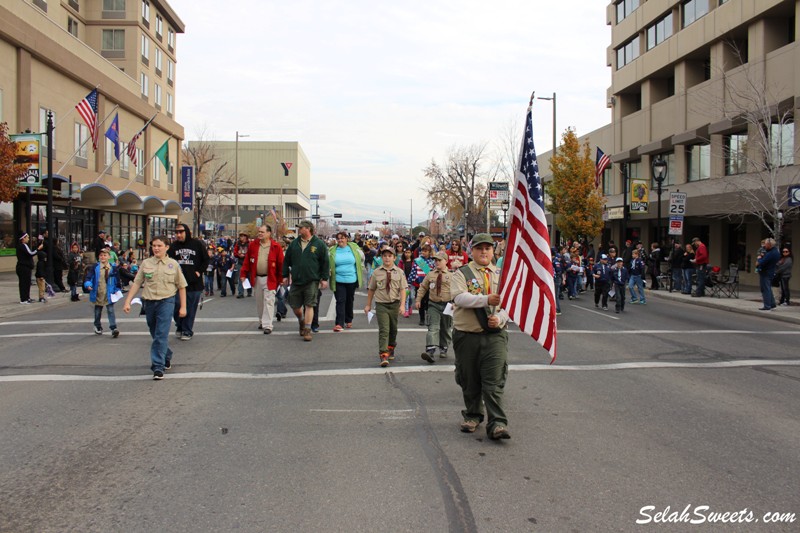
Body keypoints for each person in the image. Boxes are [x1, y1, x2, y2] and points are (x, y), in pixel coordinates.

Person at [450, 233, 511, 440]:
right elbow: (459, 297)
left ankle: (498, 423)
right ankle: (473, 415)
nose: (484, 252)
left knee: (493, 382)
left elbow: (509, 306)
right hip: (467, 336)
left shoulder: (501, 275)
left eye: (487, 248)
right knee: (469, 379)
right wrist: (486, 299)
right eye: (479, 248)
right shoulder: (461, 273)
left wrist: (500, 319)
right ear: (472, 251)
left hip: (494, 337)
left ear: (493, 251)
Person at [123, 235, 187, 380]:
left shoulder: (173, 264)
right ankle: (167, 354)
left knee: (161, 334)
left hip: (167, 301)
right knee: (154, 332)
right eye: (154, 246)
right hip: (150, 302)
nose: (156, 248)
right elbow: (137, 283)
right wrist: (128, 301)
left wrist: (183, 307)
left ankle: (158, 366)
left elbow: (182, 286)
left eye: (159, 246)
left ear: (166, 247)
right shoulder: (146, 263)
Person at [282, 220, 329, 342]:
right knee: (295, 306)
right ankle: (301, 320)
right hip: (297, 280)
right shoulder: (294, 244)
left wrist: (324, 278)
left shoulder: (319, 244)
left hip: (312, 280)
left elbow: (325, 262)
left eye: (301, 228)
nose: (299, 229)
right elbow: (286, 261)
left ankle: (307, 329)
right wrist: (285, 275)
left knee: (309, 304)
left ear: (308, 229)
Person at [364, 246, 407, 367]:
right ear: (381, 258)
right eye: (384, 256)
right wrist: (368, 305)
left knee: (393, 330)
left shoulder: (399, 272)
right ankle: (383, 354)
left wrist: (402, 305)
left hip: (394, 304)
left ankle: (391, 346)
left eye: (389, 256)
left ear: (394, 257)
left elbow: (403, 290)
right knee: (384, 330)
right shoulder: (377, 272)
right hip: (381, 304)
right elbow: (371, 289)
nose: (387, 258)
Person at [167, 223, 208, 341]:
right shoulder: (173, 246)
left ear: (187, 232)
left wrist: (199, 272)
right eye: (177, 232)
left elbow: (206, 260)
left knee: (190, 308)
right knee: (176, 306)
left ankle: (187, 329)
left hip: (194, 283)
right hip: (177, 283)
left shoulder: (197, 244)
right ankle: (179, 325)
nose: (178, 235)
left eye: (181, 232)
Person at [240, 225, 284, 334]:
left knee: (269, 301)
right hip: (257, 278)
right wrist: (243, 274)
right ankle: (262, 321)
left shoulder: (275, 246)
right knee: (260, 302)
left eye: (262, 232)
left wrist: (282, 278)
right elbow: (246, 261)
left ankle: (268, 325)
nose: (260, 234)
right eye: (259, 232)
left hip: (271, 278)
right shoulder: (253, 245)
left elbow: (281, 264)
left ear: (269, 233)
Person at [416, 251, 453, 363]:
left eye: (439, 260)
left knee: (445, 328)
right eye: (435, 260)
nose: (437, 262)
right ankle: (430, 350)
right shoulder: (431, 274)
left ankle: (444, 347)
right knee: (433, 327)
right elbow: (423, 287)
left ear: (446, 261)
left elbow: (457, 290)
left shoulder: (452, 275)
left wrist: (455, 303)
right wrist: (418, 299)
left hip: (448, 305)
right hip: (433, 305)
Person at [328, 231, 363, 332]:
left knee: (349, 300)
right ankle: (339, 323)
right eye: (338, 238)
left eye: (342, 238)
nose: (340, 240)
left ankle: (349, 319)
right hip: (338, 279)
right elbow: (328, 262)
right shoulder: (332, 250)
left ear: (347, 239)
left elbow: (362, 258)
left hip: (351, 279)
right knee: (340, 301)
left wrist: (361, 267)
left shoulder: (354, 248)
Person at [84, 248, 121, 337]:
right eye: (101, 255)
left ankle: (113, 328)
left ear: (109, 257)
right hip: (98, 292)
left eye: (105, 255)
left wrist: (117, 289)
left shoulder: (113, 268)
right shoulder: (95, 267)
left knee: (110, 310)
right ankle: (97, 326)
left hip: (109, 293)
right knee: (98, 311)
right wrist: (88, 284)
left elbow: (117, 280)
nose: (103, 257)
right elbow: (89, 277)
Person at [409, 244, 437, 326]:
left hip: (430, 285)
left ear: (429, 252)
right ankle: (422, 318)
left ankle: (428, 318)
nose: (423, 253)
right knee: (420, 301)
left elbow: (434, 272)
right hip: (420, 284)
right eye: (422, 251)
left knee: (429, 302)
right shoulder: (418, 260)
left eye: (425, 251)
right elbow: (413, 271)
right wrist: (410, 281)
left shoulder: (432, 261)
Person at [16, 232, 42, 304]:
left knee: (27, 283)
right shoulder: (22, 246)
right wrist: (38, 249)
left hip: (26, 267)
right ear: (23, 238)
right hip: (23, 267)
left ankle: (27, 297)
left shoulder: (24, 245)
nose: (28, 238)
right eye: (27, 237)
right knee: (24, 283)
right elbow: (30, 253)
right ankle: (23, 299)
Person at [756, 237, 780, 310]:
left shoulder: (770, 253)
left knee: (765, 289)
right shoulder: (776, 252)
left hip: (766, 272)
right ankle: (772, 304)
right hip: (770, 272)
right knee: (768, 288)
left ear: (769, 245)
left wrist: (759, 258)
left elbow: (762, 262)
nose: (764, 246)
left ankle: (767, 305)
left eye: (766, 244)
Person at [233, 233, 252, 298]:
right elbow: (235, 252)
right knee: (241, 277)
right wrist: (238, 255)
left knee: (248, 277)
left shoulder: (249, 244)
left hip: (248, 263)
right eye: (241, 236)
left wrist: (246, 255)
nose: (242, 238)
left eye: (243, 236)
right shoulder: (237, 244)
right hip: (240, 262)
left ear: (246, 237)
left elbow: (252, 253)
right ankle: (240, 293)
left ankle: (249, 291)